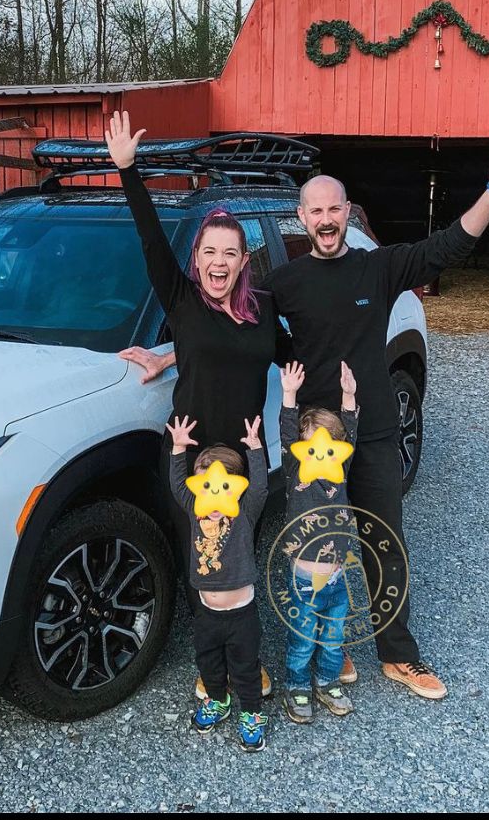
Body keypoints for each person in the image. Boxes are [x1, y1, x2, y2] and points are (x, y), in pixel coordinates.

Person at [122, 151, 489, 698]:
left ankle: (399, 655)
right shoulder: (286, 283)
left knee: (382, 536)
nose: (325, 219)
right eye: (315, 211)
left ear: (347, 212)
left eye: (334, 209)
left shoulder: (381, 266)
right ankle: (321, 647)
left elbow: (450, 244)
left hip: (369, 431)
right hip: (310, 436)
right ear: (302, 217)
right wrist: (167, 354)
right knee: (314, 543)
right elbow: (228, 325)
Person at [105, 110, 291, 699]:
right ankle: (211, 666)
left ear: (242, 261)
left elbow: (291, 360)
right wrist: (129, 173)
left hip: (243, 456)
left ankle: (245, 660)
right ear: (199, 258)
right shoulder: (183, 301)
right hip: (187, 449)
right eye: (209, 251)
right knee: (199, 552)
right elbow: (150, 238)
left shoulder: (260, 312)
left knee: (241, 553)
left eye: (228, 253)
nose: (218, 261)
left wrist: (342, 390)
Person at [168, 412, 269, 751]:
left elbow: (261, 487)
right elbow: (178, 485)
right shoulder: (195, 511)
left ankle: (252, 713)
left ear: (235, 489)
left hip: (242, 615)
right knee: (208, 662)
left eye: (222, 486)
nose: (212, 498)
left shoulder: (245, 513)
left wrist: (255, 448)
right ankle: (218, 700)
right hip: (207, 613)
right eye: (205, 485)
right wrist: (178, 449)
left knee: (245, 667)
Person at [279, 360, 358, 723]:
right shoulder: (297, 472)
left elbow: (351, 433)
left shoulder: (339, 475)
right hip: (304, 578)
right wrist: (289, 394)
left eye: (329, 447)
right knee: (303, 637)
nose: (321, 454)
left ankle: (327, 682)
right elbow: (286, 433)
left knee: (333, 638)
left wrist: (349, 395)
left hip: (338, 578)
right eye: (311, 446)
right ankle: (296, 687)